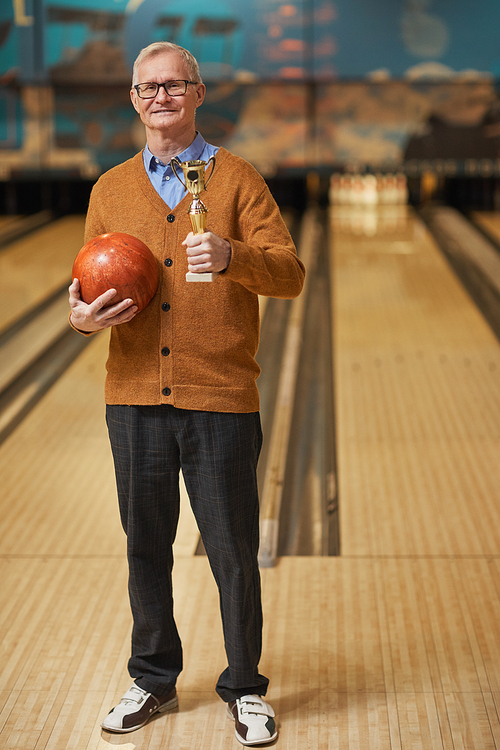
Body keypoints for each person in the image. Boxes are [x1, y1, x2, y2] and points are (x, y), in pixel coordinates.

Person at [68, 41, 305, 747]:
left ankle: (243, 688)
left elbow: (290, 273)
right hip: (133, 396)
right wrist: (79, 320)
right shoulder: (109, 190)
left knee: (232, 550)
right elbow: (83, 288)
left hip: (222, 395)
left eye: (175, 85)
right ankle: (152, 679)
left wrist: (236, 256)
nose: (161, 97)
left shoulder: (236, 180)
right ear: (133, 99)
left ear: (199, 93)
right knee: (145, 545)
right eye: (148, 88)